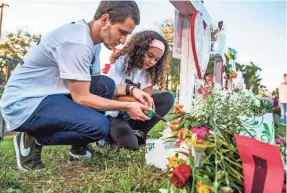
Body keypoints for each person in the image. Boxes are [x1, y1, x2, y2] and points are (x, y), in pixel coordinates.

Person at [0, 1, 154, 172]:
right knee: (99, 127)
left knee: (105, 84)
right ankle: (33, 139)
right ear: (105, 20)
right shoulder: (77, 42)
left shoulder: (92, 41)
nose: (123, 40)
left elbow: (97, 87)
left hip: (46, 95)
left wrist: (132, 90)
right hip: (24, 104)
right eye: (122, 32)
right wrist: (127, 106)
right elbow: (82, 98)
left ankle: (78, 149)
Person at [105, 30, 175, 150]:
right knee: (131, 146)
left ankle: (139, 131)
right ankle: (107, 137)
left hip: (133, 115)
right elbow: (110, 94)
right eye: (150, 55)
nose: (152, 62)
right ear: (140, 50)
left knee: (167, 98)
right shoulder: (122, 61)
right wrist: (134, 103)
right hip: (115, 113)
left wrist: (147, 106)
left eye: (157, 60)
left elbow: (146, 96)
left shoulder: (149, 71)